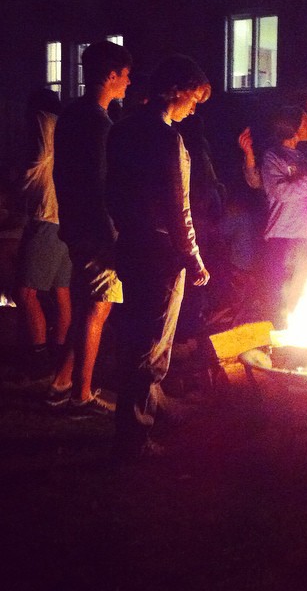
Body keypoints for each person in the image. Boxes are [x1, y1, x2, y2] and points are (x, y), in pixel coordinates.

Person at [106, 54, 211, 460]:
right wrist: (193, 257)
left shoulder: (123, 130)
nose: (194, 108)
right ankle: (133, 439)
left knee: (135, 337)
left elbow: (112, 192)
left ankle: (154, 410)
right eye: (194, 99)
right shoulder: (167, 139)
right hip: (162, 254)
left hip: (131, 245)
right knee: (150, 347)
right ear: (178, 90)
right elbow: (177, 207)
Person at [48, 40, 132, 415]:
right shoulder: (100, 124)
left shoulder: (71, 116)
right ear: (111, 75)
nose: (128, 84)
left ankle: (61, 382)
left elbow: (64, 175)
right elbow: (102, 184)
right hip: (96, 230)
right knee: (98, 307)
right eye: (126, 76)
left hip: (75, 224)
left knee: (85, 305)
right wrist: (114, 233)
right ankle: (81, 395)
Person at [15, 89, 73, 381]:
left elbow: (37, 158)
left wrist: (22, 178)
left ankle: (38, 359)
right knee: (62, 292)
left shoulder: (43, 122)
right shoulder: (67, 128)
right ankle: (59, 354)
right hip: (64, 219)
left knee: (25, 293)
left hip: (46, 218)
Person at [260, 105, 307, 326]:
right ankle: (278, 351)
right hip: (285, 237)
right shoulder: (273, 156)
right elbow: (282, 192)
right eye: (303, 121)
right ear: (291, 126)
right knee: (282, 301)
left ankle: (303, 352)